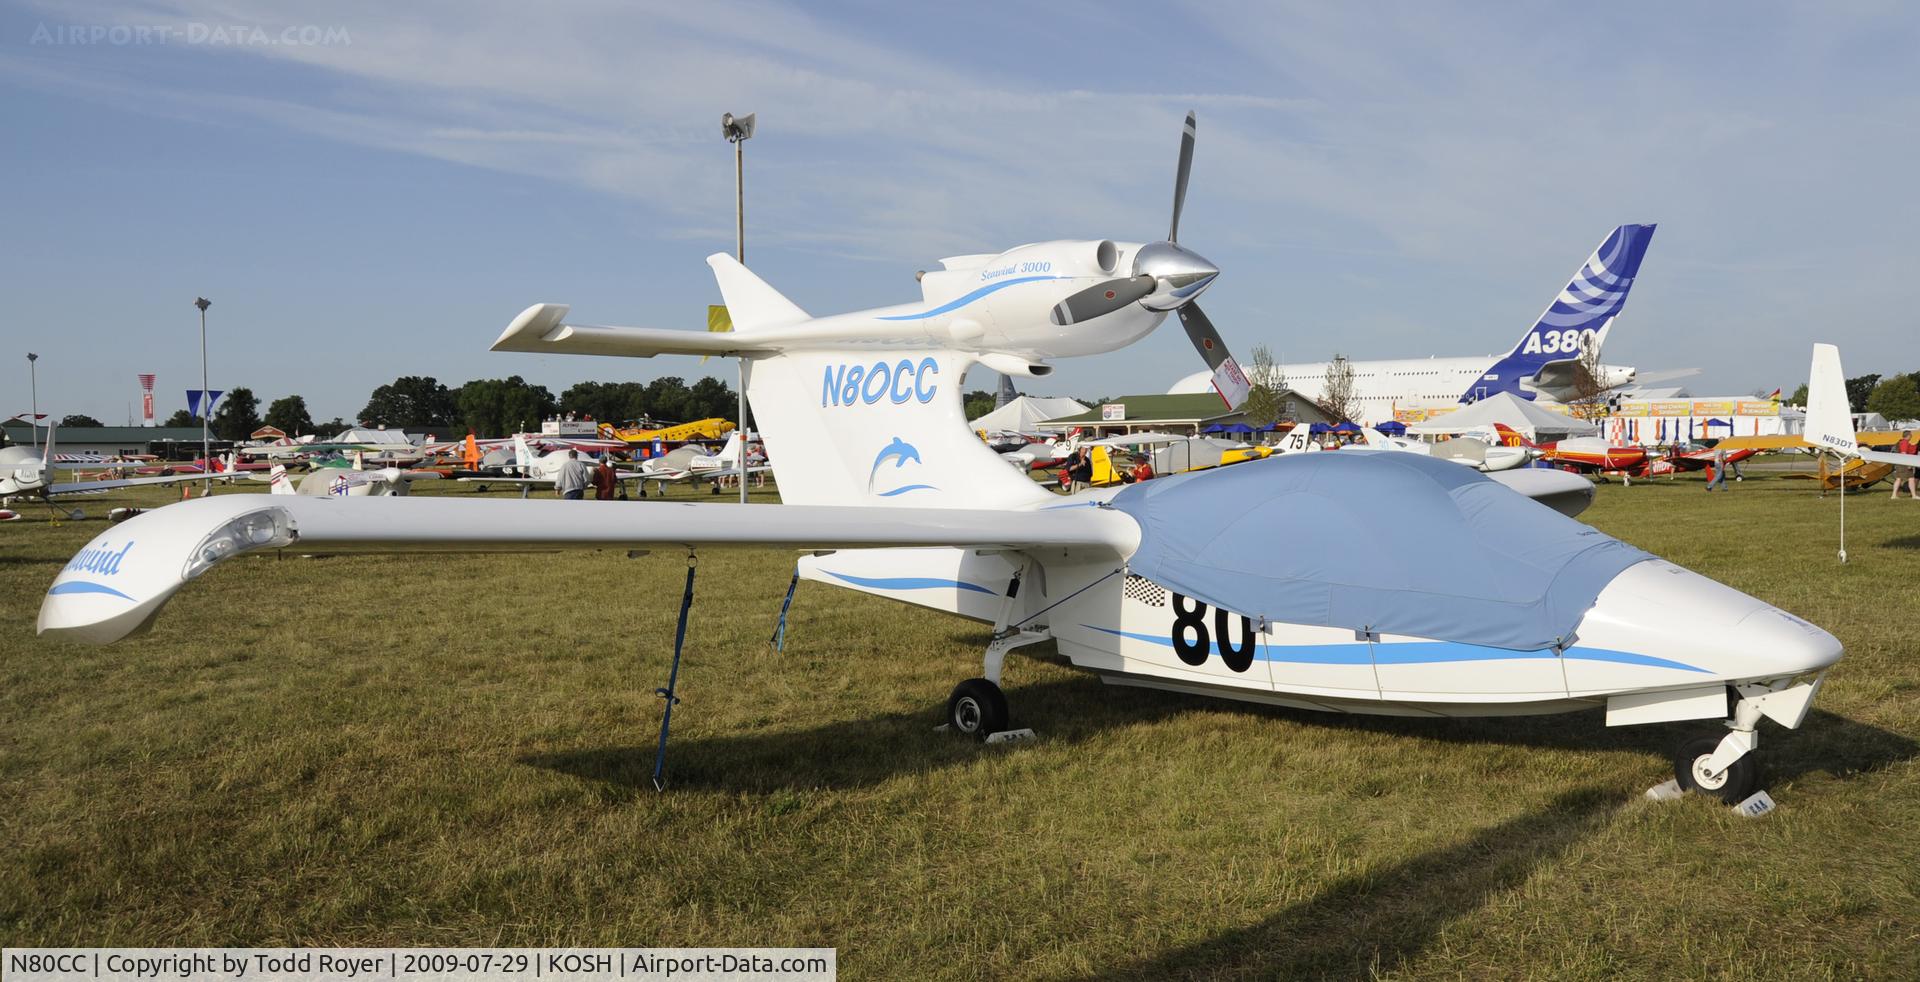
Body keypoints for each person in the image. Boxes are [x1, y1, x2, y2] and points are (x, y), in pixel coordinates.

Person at [1893, 430, 1919, 500]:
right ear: (1909, 436)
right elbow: (1904, 453)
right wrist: (1908, 464)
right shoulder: (1905, 443)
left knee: (1899, 479)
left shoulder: (1900, 442)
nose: (1912, 436)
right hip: (1904, 463)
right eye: (1911, 435)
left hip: (1899, 463)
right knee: (1911, 479)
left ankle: (1894, 495)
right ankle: (1914, 495)